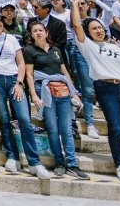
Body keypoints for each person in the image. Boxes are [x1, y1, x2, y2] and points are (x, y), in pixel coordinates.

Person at [70, 0, 120, 183]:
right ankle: (119, 165)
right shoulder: (88, 46)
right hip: (106, 88)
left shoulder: (116, 46)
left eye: (100, 27)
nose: (99, 30)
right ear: (89, 32)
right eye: (94, 28)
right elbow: (77, 26)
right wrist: (73, 5)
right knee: (115, 127)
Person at [0, 14, 52, 179]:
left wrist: (19, 82)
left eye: (0, 20)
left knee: (24, 119)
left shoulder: (10, 38)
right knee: (3, 119)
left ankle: (34, 161)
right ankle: (12, 155)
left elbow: (21, 62)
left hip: (13, 80)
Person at [24, 20, 89, 179]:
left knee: (66, 129)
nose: (38, 33)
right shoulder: (29, 51)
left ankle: (72, 164)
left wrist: (74, 92)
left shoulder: (56, 50)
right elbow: (29, 75)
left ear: (46, 33)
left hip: (63, 91)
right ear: (31, 35)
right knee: (52, 128)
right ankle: (59, 162)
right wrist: (33, 94)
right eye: (35, 31)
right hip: (45, 92)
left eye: (41, 30)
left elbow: (65, 72)